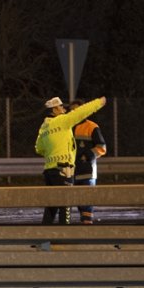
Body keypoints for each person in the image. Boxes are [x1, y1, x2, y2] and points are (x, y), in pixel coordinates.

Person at [35, 96, 107, 225]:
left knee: (51, 206)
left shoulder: (43, 127)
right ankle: (64, 237)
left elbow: (39, 149)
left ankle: (44, 238)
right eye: (61, 106)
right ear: (55, 109)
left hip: (49, 171)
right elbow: (81, 112)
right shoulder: (62, 121)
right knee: (65, 206)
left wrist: (54, 150)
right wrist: (98, 103)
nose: (64, 109)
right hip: (64, 170)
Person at [68, 98, 108, 224]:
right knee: (78, 201)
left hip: (87, 171)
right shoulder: (67, 127)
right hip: (71, 170)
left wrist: (87, 156)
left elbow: (102, 147)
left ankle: (87, 227)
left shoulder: (92, 127)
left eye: (77, 110)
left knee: (86, 200)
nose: (74, 113)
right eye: (72, 110)